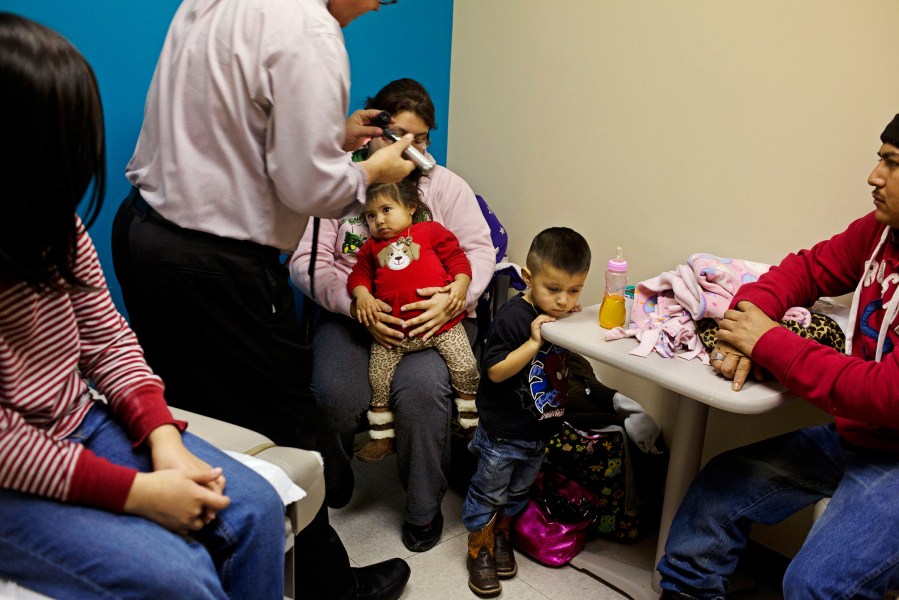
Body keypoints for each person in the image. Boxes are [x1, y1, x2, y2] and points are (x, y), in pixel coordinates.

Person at [110, 1, 415, 599]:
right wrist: (369, 172)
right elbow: (310, 188)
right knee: (285, 432)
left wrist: (334, 137)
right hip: (216, 267)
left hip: (144, 233)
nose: (374, 8)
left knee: (195, 421)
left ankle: (218, 568)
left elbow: (228, 129)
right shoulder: (310, 30)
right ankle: (328, 590)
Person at [0, 13, 286, 599]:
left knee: (254, 507)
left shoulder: (55, 226)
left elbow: (107, 340)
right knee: (178, 579)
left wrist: (163, 440)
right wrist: (139, 494)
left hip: (78, 422)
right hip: (10, 474)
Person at [657, 114, 899, 598]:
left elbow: (888, 394)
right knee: (713, 497)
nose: (873, 176)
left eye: (891, 164)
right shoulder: (879, 231)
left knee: (814, 586)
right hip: (858, 438)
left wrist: (768, 342)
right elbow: (805, 270)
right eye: (879, 159)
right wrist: (744, 322)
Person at [290, 77, 496, 552]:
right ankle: (334, 480)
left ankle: (422, 510)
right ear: (373, 131)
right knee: (334, 396)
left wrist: (458, 291)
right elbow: (306, 262)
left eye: (422, 138)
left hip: (428, 322)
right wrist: (352, 302)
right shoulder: (339, 182)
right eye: (399, 134)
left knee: (424, 396)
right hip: (352, 318)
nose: (411, 148)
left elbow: (478, 250)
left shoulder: (445, 187)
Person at [462, 227, 591, 597]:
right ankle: (480, 548)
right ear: (528, 278)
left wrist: (570, 324)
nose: (564, 301)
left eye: (575, 290)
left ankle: (502, 535)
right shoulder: (514, 318)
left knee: (518, 493)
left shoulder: (561, 316)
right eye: (554, 290)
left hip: (537, 433)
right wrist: (535, 343)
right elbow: (495, 371)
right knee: (489, 492)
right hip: (503, 433)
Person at [349, 180, 480, 462]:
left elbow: (458, 258)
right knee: (378, 379)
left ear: (410, 208)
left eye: (386, 209)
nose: (379, 220)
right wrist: (362, 296)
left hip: (440, 325)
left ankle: (469, 422)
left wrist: (460, 285)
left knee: (466, 366)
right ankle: (382, 436)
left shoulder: (430, 231)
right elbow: (358, 276)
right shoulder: (371, 248)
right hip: (393, 335)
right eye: (371, 216)